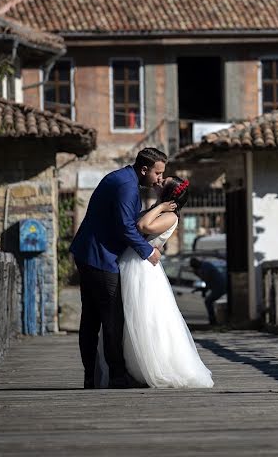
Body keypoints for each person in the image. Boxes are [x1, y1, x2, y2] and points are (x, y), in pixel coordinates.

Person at [71, 147, 165, 390]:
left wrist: (158, 202)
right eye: (157, 173)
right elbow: (126, 226)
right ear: (144, 169)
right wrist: (149, 252)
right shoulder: (126, 186)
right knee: (112, 318)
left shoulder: (122, 178)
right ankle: (117, 376)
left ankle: (91, 376)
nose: (159, 179)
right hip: (101, 257)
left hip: (88, 253)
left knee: (91, 318)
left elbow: (129, 221)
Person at [116, 176, 214, 388]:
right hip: (133, 260)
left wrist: (159, 206)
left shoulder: (170, 216)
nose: (158, 182)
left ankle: (149, 367)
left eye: (163, 182)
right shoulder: (160, 209)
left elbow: (142, 225)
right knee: (130, 316)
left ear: (169, 194)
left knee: (146, 316)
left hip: (142, 267)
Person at [190, 257, 227, 326]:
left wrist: (203, 290)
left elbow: (207, 281)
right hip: (217, 286)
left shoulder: (205, 267)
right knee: (208, 301)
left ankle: (213, 321)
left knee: (208, 301)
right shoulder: (204, 266)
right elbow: (206, 282)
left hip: (219, 287)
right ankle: (213, 320)